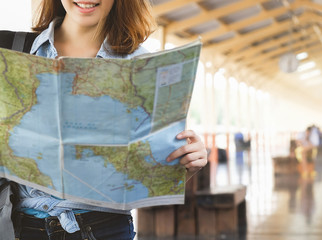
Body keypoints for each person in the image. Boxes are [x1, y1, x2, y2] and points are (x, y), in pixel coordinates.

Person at [3, 1, 208, 239]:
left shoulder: (143, 68)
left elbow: (149, 175)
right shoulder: (14, 51)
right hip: (21, 227)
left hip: (104, 228)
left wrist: (187, 164)